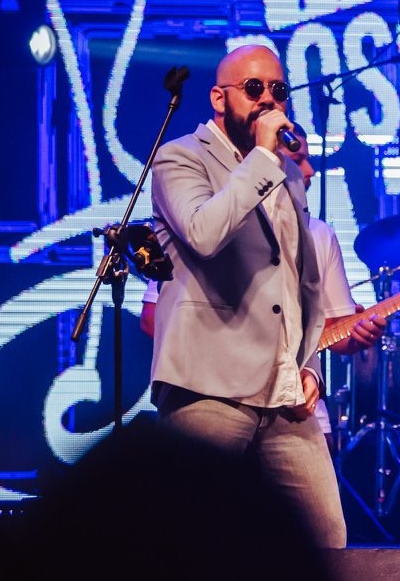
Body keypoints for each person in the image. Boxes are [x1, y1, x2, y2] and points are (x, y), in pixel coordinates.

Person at [149, 44, 356, 546]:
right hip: (209, 387)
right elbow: (203, 233)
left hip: (284, 393)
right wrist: (263, 158)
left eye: (277, 90)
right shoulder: (180, 157)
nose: (268, 100)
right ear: (219, 98)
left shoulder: (285, 172)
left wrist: (309, 367)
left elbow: (299, 284)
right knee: (195, 543)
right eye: (254, 88)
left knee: (327, 539)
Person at [143, 123, 385, 436]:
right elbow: (154, 317)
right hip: (217, 397)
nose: (309, 171)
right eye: (297, 160)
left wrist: (341, 346)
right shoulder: (208, 212)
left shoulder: (318, 233)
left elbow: (318, 325)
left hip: (292, 401)